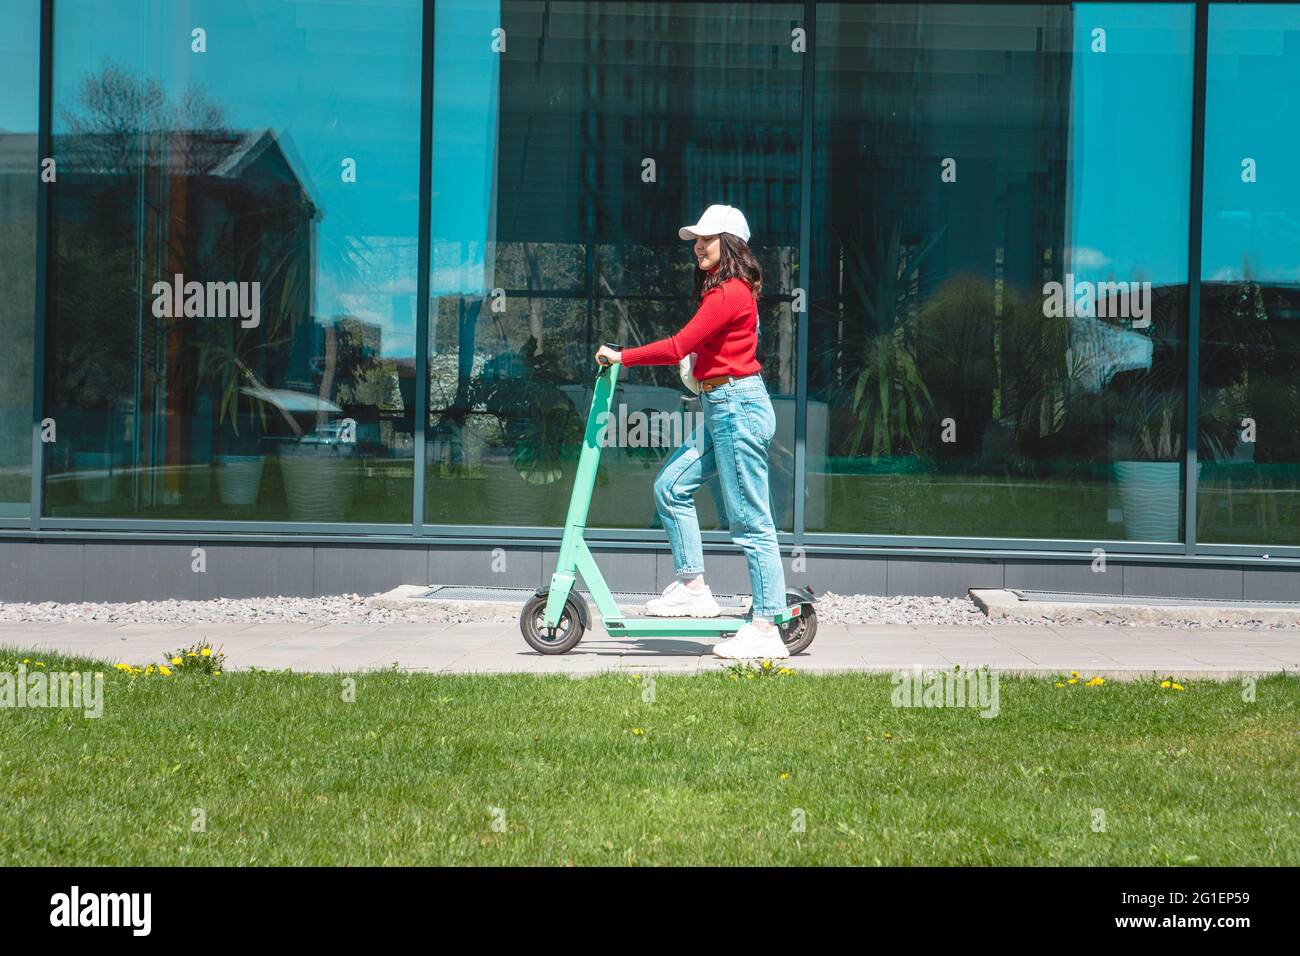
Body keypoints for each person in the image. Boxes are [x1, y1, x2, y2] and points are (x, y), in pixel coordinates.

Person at [594, 204, 789, 660]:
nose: (697, 246)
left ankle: (766, 627)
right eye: (696, 239)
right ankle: (693, 585)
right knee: (671, 486)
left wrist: (621, 357)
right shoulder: (725, 293)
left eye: (706, 238)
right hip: (723, 405)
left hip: (736, 408)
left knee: (751, 522)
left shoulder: (730, 293)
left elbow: (680, 345)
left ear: (731, 244)